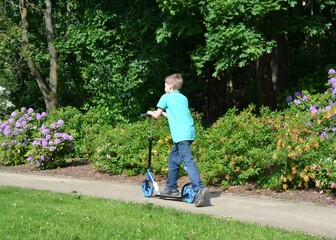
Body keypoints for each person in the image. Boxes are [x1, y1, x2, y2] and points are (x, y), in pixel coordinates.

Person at [147, 73, 209, 207]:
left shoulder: (166, 97)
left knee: (187, 160)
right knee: (173, 158)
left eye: (165, 85)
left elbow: (156, 115)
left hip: (180, 135)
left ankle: (199, 188)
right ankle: (171, 189)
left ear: (170, 87)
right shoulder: (183, 98)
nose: (164, 88)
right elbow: (172, 115)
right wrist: (163, 113)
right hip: (189, 132)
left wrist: (150, 113)